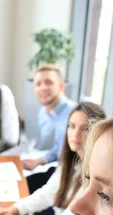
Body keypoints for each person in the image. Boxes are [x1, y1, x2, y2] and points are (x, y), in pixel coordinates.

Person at [23, 65, 77, 196]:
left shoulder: (75, 114)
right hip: (58, 170)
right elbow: (59, 148)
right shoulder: (43, 113)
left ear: (61, 86)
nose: (43, 88)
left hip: (72, 178)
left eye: (49, 82)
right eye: (38, 84)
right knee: (18, 187)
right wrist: (38, 161)